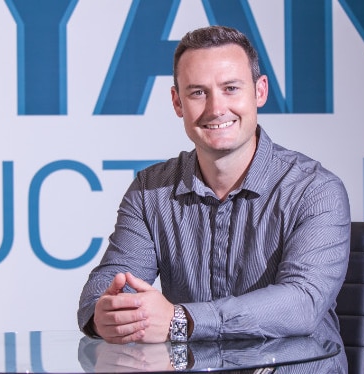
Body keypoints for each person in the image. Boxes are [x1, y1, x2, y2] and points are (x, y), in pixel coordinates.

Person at [78, 25, 350, 372]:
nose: (216, 108)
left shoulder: (315, 190)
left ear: (260, 92)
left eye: (231, 88)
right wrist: (111, 314)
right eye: (197, 93)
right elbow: (102, 290)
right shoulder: (150, 192)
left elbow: (302, 303)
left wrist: (181, 320)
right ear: (177, 102)